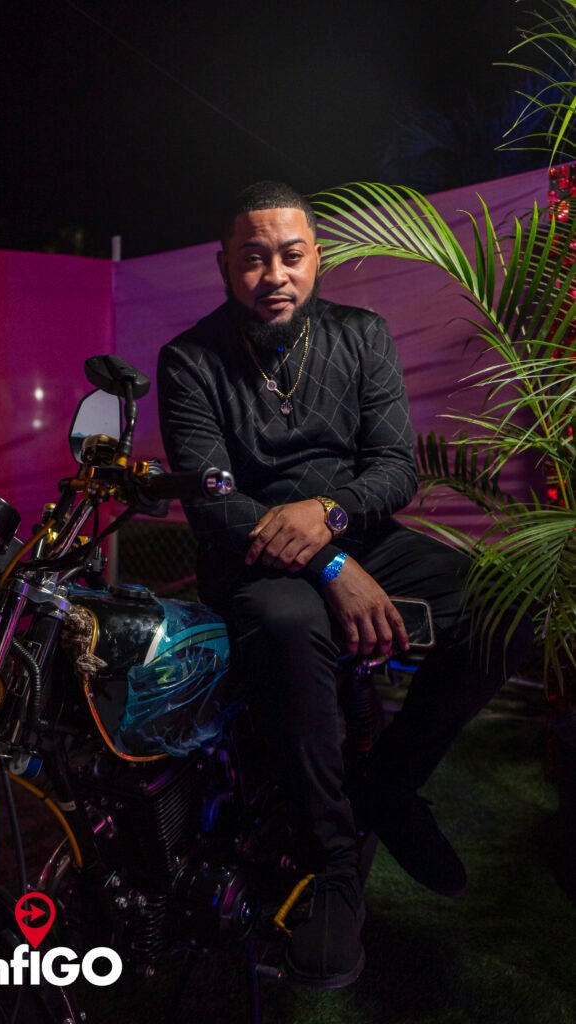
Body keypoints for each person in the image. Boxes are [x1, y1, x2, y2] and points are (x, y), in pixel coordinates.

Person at [156, 181, 531, 989]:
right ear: (224, 266)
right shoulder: (190, 359)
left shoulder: (361, 335)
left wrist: (330, 518)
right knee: (290, 625)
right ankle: (329, 865)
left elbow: (393, 468)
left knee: (509, 607)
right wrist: (327, 566)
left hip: (357, 533)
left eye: (290, 256)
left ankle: (387, 787)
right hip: (253, 559)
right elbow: (212, 502)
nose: (274, 275)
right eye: (252, 259)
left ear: (316, 259)